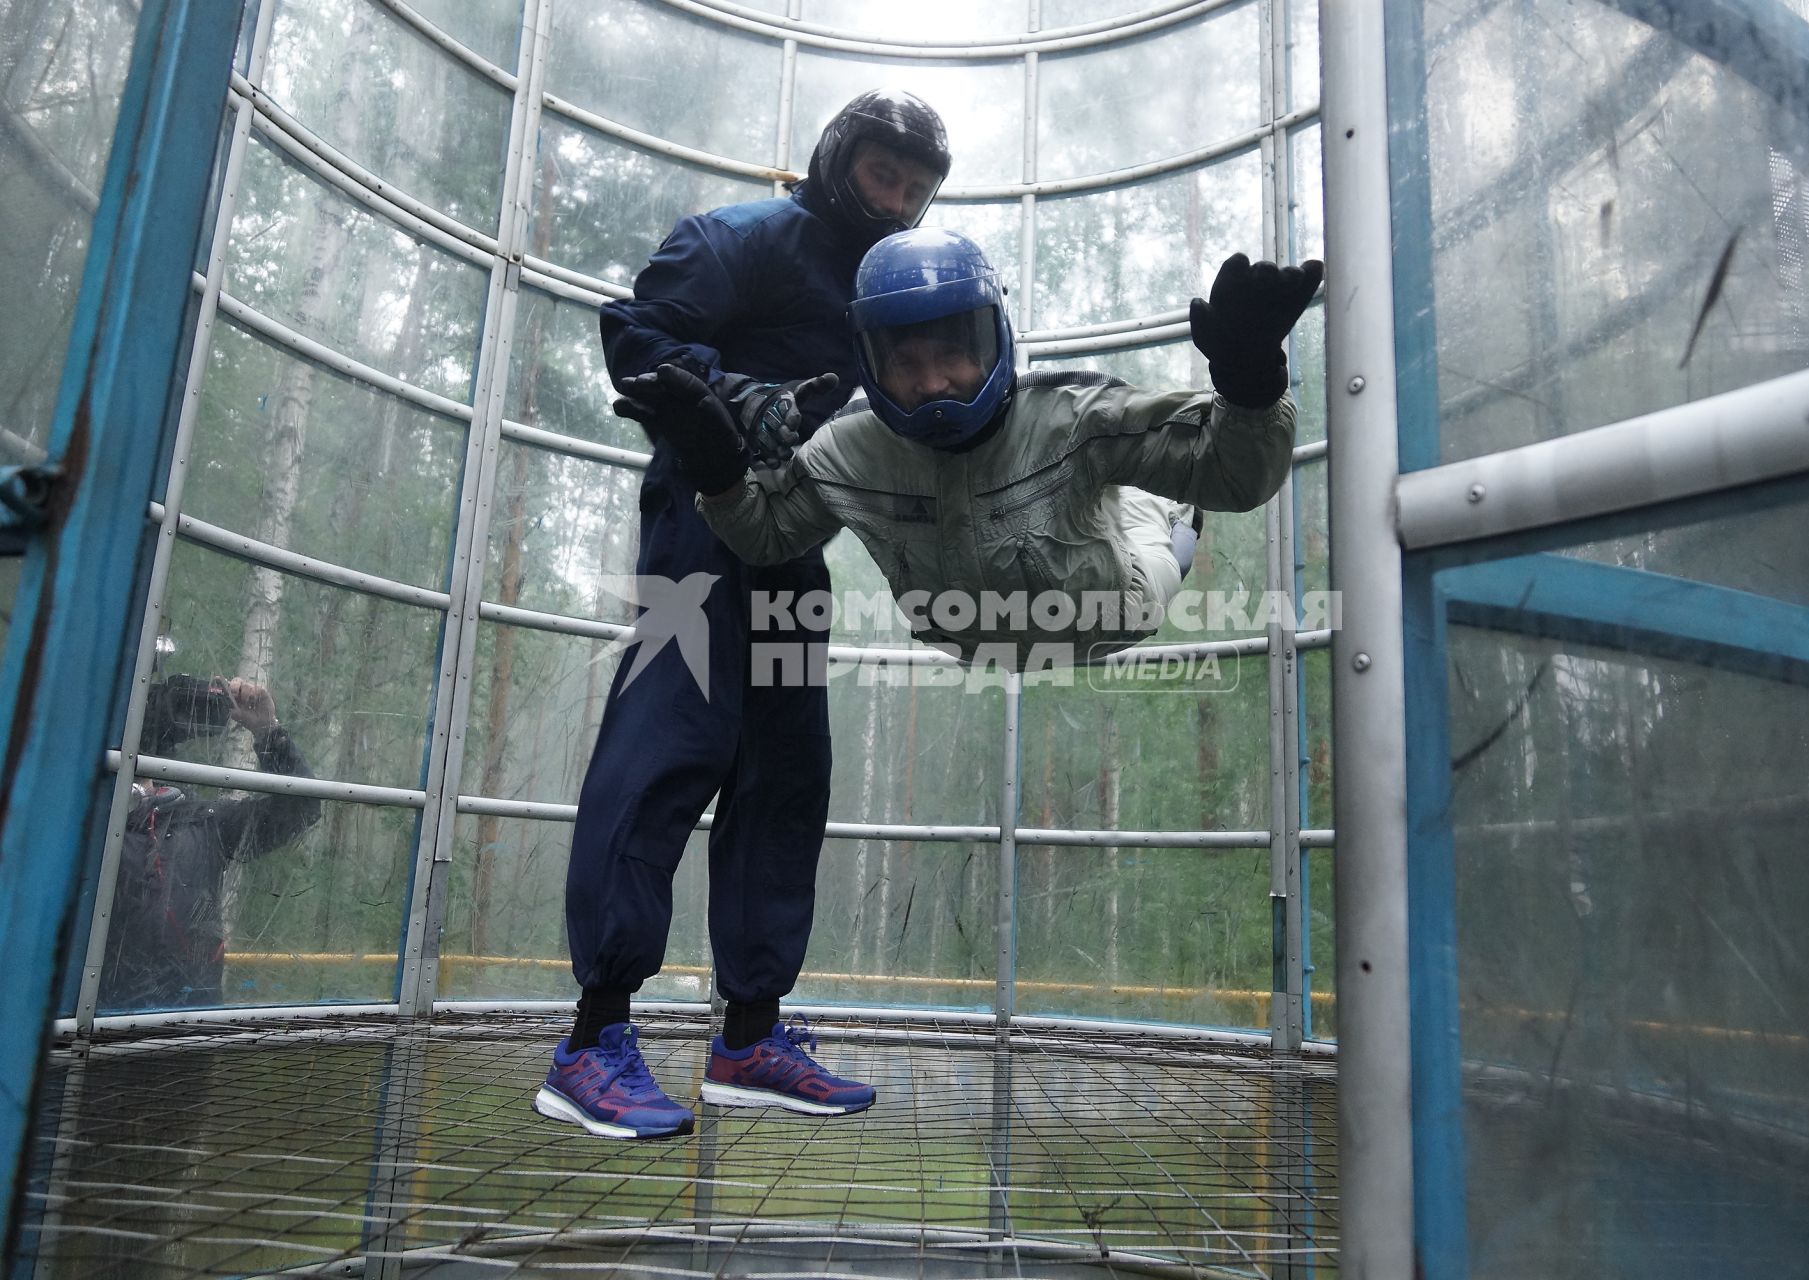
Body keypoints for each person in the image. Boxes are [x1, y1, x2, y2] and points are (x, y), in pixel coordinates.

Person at [536, 90, 952, 1140]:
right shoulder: (748, 236)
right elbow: (639, 332)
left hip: (787, 546)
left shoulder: (883, 292)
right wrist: (735, 396)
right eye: (879, 173)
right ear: (836, 158)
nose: (894, 197)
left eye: (913, 185)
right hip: (695, 526)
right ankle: (591, 1040)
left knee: (783, 765)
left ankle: (746, 1035)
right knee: (665, 744)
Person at [620, 230, 1324, 667]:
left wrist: (1250, 381)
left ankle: (1169, 518)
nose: (933, 384)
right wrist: (717, 472)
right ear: (869, 362)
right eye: (905, 362)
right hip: (962, 638)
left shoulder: (1075, 415)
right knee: (1129, 473)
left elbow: (1234, 479)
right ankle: (1144, 489)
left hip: (1116, 613)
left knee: (1165, 512)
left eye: (955, 352)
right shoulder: (850, 451)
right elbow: (769, 537)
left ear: (996, 338)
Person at [99, 674, 320, 1010]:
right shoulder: (87, 818)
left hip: (186, 1029)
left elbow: (300, 807)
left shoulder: (201, 820)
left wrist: (267, 730)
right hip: (90, 1023)